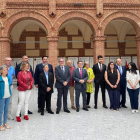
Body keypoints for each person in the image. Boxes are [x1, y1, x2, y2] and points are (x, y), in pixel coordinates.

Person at [0, 66, 12, 131]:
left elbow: (9, 86)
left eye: (6, 70)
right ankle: (0, 125)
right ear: (1, 71)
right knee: (1, 111)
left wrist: (10, 93)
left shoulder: (8, 78)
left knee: (6, 110)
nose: (6, 71)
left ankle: (5, 123)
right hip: (2, 96)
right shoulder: (0, 78)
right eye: (4, 70)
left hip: (8, 96)